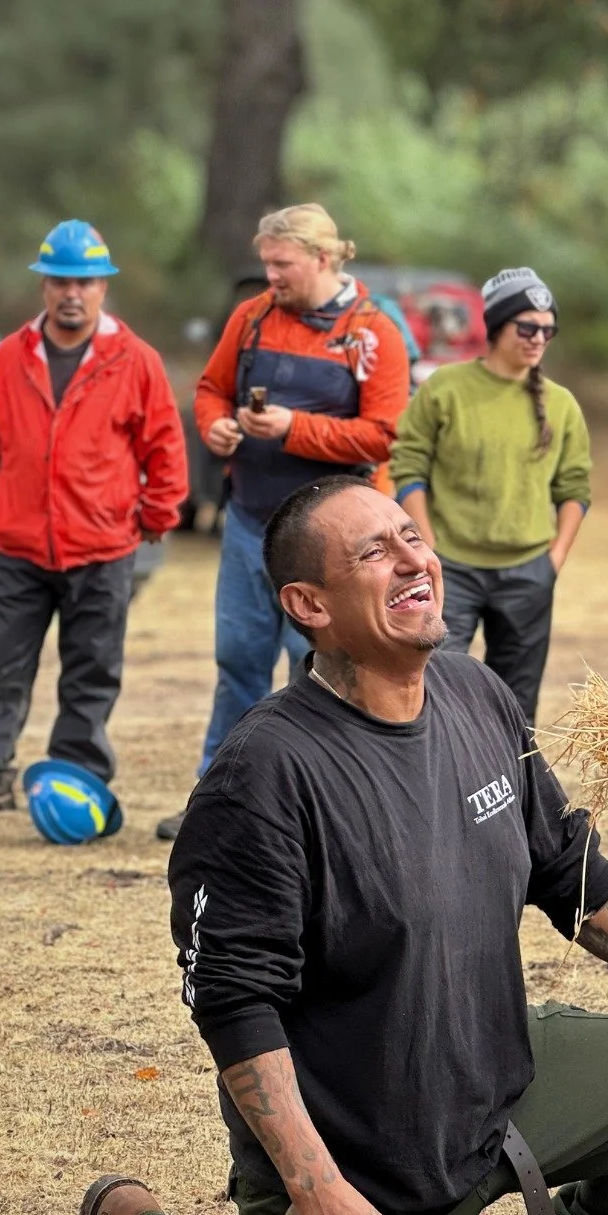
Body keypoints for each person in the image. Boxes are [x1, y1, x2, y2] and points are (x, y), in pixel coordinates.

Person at [62, 475, 608, 1215]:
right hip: (363, 1155)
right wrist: (317, 1189)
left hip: (498, 1073)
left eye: (411, 537)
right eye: (374, 552)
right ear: (309, 605)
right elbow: (234, 1002)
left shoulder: (476, 693)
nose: (411, 560)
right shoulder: (263, 776)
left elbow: (566, 865)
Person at [155, 203, 409, 841]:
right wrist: (215, 425)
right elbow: (211, 389)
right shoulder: (252, 318)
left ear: (322, 258)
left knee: (325, 671)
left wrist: (294, 428)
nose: (270, 275)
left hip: (334, 545)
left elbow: (384, 435)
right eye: (266, 262)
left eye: (281, 263)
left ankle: (332, 812)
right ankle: (219, 802)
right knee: (238, 662)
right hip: (248, 524)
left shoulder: (373, 332)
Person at [0, 220, 186, 812]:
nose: (73, 293)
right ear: (44, 285)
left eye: (85, 282)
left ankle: (75, 778)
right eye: (61, 281)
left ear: (102, 287)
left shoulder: (136, 360)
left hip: (103, 548)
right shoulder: (7, 359)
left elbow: (165, 449)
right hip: (21, 550)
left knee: (91, 671)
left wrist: (155, 515)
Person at [389, 268, 591, 726]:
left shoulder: (560, 404)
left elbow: (575, 487)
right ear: (497, 326)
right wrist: (428, 546)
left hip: (528, 572)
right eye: (528, 327)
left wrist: (554, 559)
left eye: (547, 330)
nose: (538, 338)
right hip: (451, 567)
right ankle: (442, 770)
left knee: (517, 704)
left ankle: (512, 774)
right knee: (433, 685)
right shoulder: (446, 387)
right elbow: (409, 466)